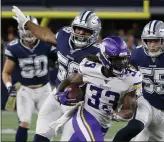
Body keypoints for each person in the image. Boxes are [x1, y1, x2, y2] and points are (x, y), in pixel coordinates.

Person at [12, 6, 102, 142]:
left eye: (86, 30)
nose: (81, 32)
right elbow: (45, 35)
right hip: (57, 95)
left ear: (94, 33)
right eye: (78, 28)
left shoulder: (99, 53)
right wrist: (26, 23)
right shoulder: (64, 36)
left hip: (80, 104)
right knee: (41, 135)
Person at [53, 36, 142, 141]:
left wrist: (116, 115)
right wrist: (60, 92)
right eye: (116, 59)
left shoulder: (131, 78)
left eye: (123, 58)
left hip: (103, 124)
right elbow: (70, 80)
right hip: (85, 116)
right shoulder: (89, 68)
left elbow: (128, 111)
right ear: (104, 57)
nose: (121, 63)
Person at [113, 20, 164, 142]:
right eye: (149, 41)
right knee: (133, 128)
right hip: (146, 101)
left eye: (156, 40)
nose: (152, 45)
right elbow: (125, 76)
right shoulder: (138, 54)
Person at [2, 16, 57, 142]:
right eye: (25, 29)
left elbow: (59, 60)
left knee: (47, 125)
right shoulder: (14, 48)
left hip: (44, 90)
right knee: (24, 122)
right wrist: (9, 86)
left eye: (31, 29)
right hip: (25, 90)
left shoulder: (46, 44)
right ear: (20, 30)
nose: (29, 32)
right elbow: (6, 72)